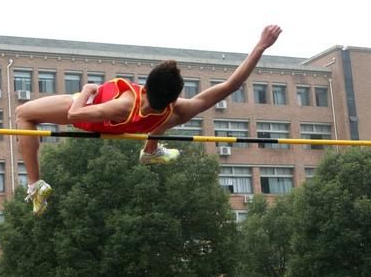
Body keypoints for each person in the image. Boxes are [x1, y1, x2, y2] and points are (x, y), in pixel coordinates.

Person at [15, 25, 282, 214]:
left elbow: (74, 114)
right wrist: (260, 46)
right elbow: (230, 86)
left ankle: (36, 185)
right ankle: (150, 151)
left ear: (146, 84)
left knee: (23, 114)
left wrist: (86, 90)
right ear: (172, 96)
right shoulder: (175, 111)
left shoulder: (126, 102)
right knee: (159, 124)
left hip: (92, 110)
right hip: (139, 123)